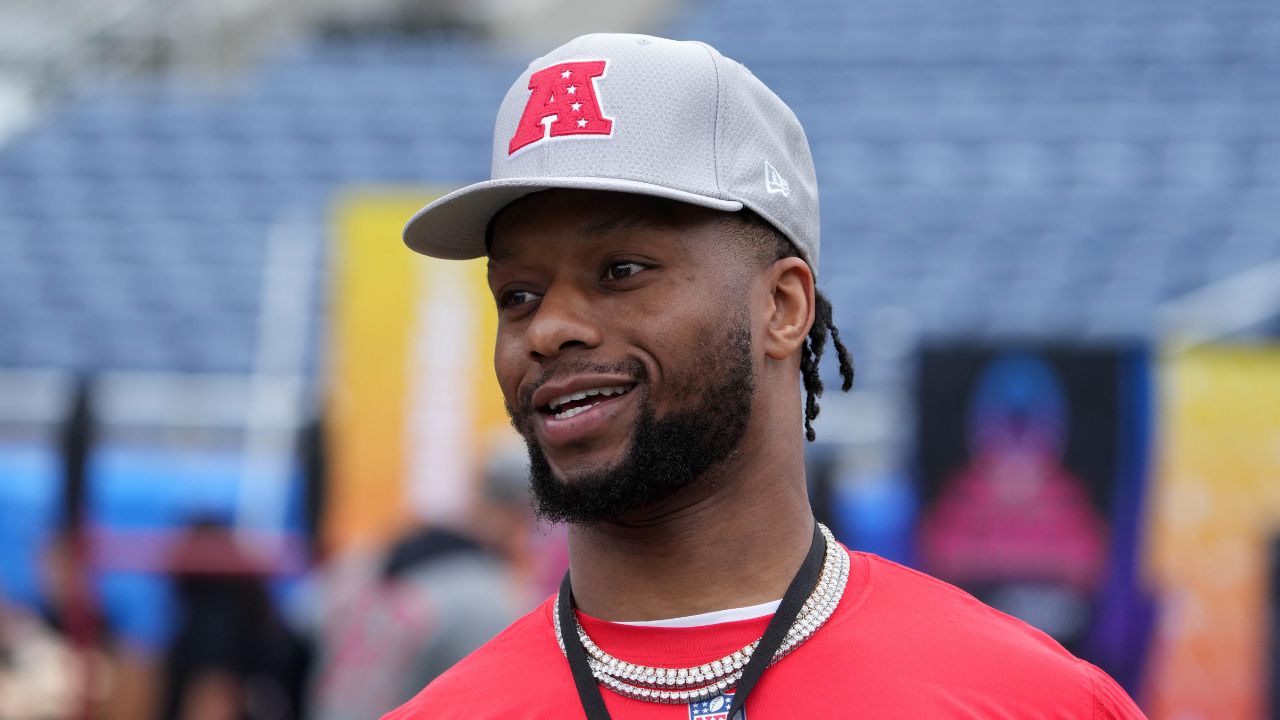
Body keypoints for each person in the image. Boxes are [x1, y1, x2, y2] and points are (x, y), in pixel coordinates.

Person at [384, 33, 1144, 719]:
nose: (548, 329)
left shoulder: (1033, 702)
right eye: (518, 295)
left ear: (783, 307)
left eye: (621, 270)